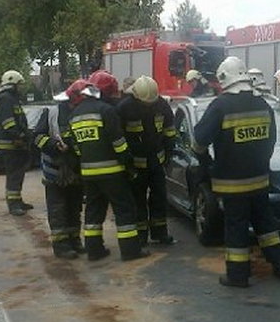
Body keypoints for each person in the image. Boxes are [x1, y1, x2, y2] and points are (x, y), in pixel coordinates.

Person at [192, 56, 280, 287]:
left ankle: (237, 275)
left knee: (236, 227)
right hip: (260, 179)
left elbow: (199, 141)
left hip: (232, 183)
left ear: (224, 78)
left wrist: (206, 161)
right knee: (266, 224)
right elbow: (271, 140)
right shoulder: (262, 104)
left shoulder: (220, 105)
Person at [69, 69, 145, 262]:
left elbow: (76, 146)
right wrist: (128, 164)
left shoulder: (75, 114)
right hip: (112, 172)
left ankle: (94, 251)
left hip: (88, 172)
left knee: (94, 212)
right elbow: (118, 143)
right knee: (124, 210)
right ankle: (130, 251)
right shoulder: (107, 111)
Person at [117, 75, 177, 245]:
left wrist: (168, 153)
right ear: (136, 96)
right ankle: (141, 236)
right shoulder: (124, 108)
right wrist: (126, 164)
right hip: (135, 165)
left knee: (159, 198)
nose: (149, 104)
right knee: (138, 200)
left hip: (157, 162)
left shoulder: (162, 104)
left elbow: (169, 130)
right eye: (146, 102)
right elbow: (118, 138)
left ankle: (160, 233)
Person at [34, 79, 90, 259]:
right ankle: (60, 245)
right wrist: (53, 144)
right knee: (58, 209)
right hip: (55, 171)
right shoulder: (51, 113)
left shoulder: (85, 112)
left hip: (76, 170)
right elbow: (37, 137)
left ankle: (74, 240)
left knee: (74, 208)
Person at [0, 70, 33, 216]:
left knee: (18, 174)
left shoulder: (11, 98)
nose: (21, 88)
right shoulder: (6, 98)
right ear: (13, 84)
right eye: (19, 85)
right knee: (13, 175)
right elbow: (8, 122)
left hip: (16, 143)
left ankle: (18, 200)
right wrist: (19, 135)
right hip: (10, 144)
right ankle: (13, 205)